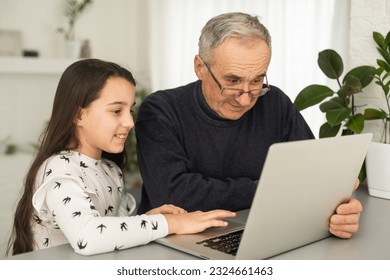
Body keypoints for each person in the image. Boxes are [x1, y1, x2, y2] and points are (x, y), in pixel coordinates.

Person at [135, 12, 362, 239]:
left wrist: (340, 212)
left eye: (256, 81)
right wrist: (275, 189)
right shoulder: (160, 110)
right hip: (178, 241)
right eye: (232, 81)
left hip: (264, 232)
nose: (245, 100)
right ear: (200, 67)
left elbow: (313, 177)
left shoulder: (275, 102)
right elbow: (174, 195)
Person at [6, 59, 235, 256]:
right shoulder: (58, 169)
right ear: (79, 115)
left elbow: (112, 232)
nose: (129, 122)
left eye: (130, 110)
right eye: (117, 111)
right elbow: (89, 236)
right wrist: (170, 223)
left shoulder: (109, 170)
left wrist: (147, 217)